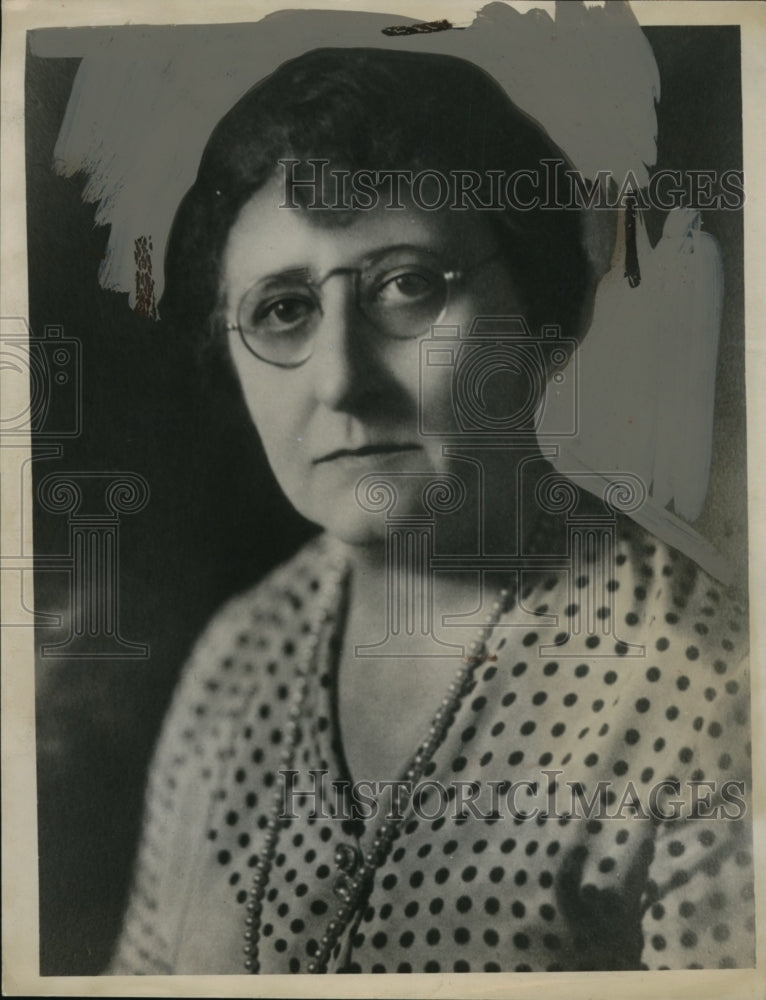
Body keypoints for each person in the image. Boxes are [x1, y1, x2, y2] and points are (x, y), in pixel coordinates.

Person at [108, 47, 753, 975]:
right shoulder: (236, 660)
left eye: (407, 287)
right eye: (283, 311)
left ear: (542, 316)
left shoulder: (703, 695)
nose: (340, 379)